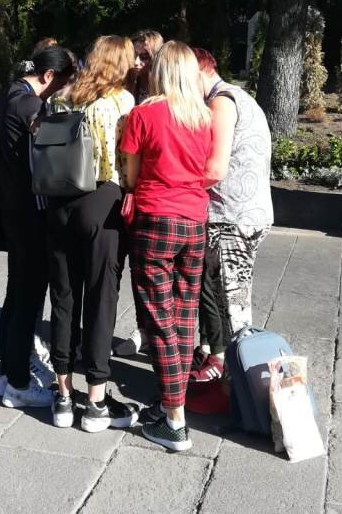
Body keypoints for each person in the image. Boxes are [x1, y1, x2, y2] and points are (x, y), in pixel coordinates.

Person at [120, 41, 216, 452]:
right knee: (183, 315)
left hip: (156, 218)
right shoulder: (204, 116)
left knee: (158, 319)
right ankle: (171, 403)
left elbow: (130, 175)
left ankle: (175, 421)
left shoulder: (143, 114)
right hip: (195, 221)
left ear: (158, 71)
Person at [47, 36, 138, 432]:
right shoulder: (121, 102)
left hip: (59, 200)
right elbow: (126, 160)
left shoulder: (62, 98)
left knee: (63, 298)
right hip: (103, 198)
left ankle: (63, 396)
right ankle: (96, 400)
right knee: (102, 298)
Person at [0, 46, 76, 409]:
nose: (60, 91)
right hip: (29, 214)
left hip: (12, 211)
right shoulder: (30, 105)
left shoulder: (12, 93)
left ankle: (8, 371)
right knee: (27, 300)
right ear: (48, 76)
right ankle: (18, 384)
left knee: (16, 296)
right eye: (61, 83)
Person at [189, 48, 273, 390]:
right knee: (231, 300)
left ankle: (241, 388)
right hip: (246, 214)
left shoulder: (220, 102)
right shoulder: (237, 96)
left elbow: (215, 169)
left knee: (234, 309)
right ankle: (233, 380)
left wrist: (176, 187)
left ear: (199, 72)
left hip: (231, 219)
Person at [112, 29, 165, 358]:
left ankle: (155, 332)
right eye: (135, 55)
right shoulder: (127, 89)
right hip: (127, 185)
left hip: (153, 188)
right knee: (135, 266)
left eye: (145, 56)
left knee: (154, 271)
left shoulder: (163, 95)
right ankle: (143, 329)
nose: (137, 62)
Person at [130, 30, 163, 105]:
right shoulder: (129, 82)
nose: (136, 62)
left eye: (144, 57)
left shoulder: (165, 87)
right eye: (133, 56)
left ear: (156, 58)